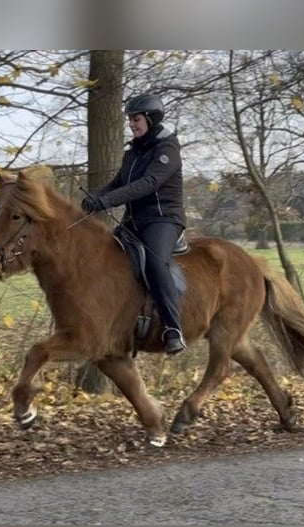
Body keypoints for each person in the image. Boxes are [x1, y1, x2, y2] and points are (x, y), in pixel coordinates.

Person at [81, 93, 187, 355]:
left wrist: (107, 202)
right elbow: (120, 182)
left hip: (163, 220)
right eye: (130, 120)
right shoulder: (133, 152)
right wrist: (95, 196)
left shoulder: (167, 149)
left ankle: (173, 329)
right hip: (134, 221)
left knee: (154, 262)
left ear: (150, 119)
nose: (132, 124)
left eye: (136, 119)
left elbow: (148, 184)